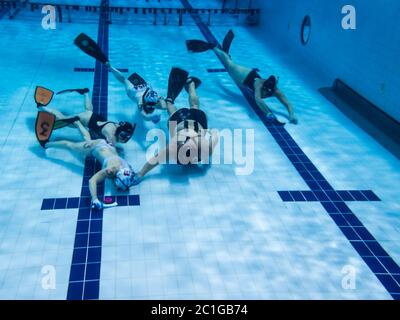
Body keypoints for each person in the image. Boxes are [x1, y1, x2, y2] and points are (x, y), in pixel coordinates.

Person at [186, 30, 298, 124]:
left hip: (245, 81)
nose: (264, 92)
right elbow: (258, 100)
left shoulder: (276, 92)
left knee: (229, 65)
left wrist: (291, 114)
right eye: (264, 89)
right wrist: (267, 113)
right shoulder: (259, 84)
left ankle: (225, 53)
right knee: (229, 65)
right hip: (245, 75)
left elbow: (287, 103)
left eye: (266, 91)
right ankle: (213, 47)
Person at [132, 68, 219, 185]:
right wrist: (140, 174)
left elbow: (153, 162)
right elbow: (153, 161)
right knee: (174, 107)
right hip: (181, 124)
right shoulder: (178, 149)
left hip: (195, 123)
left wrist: (140, 174)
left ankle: (190, 84)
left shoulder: (202, 150)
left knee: (194, 105)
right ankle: (171, 98)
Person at [35, 110, 136, 210]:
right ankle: (46, 144)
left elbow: (132, 177)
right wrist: (95, 199)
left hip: (106, 145)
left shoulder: (128, 169)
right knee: (70, 145)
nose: (115, 186)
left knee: (87, 138)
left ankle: (78, 123)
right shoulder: (110, 170)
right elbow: (92, 181)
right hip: (96, 147)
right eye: (117, 185)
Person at [74, 32, 166, 124]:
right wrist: (151, 117)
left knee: (124, 79)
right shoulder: (140, 101)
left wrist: (163, 106)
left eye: (151, 106)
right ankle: (110, 67)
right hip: (134, 90)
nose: (151, 107)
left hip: (142, 88)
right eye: (150, 106)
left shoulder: (155, 97)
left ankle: (110, 66)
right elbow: (144, 116)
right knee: (124, 80)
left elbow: (162, 106)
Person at [38, 86, 135, 146]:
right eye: (123, 136)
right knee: (63, 119)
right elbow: (110, 147)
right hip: (85, 119)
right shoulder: (111, 137)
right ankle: (42, 107)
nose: (125, 138)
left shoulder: (118, 125)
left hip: (95, 117)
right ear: (119, 131)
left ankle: (85, 93)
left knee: (89, 110)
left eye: (127, 136)